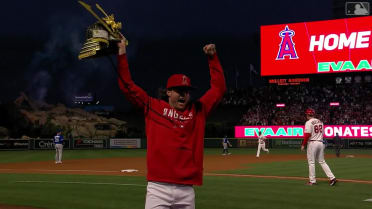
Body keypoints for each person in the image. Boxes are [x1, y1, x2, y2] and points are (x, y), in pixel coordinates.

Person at [117, 35, 226, 209]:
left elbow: (218, 89)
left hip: (186, 191)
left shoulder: (198, 110)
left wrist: (213, 59)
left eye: (186, 91)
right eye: (179, 90)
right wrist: (122, 53)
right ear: (168, 92)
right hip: (158, 188)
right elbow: (127, 86)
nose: (183, 94)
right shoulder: (153, 106)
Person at [301, 108, 337, 186]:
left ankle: (312, 181)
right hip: (320, 143)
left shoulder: (308, 122)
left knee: (311, 162)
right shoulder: (320, 122)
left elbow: (307, 135)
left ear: (307, 115)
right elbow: (322, 134)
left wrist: (303, 145)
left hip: (312, 143)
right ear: (313, 114)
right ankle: (332, 178)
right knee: (322, 161)